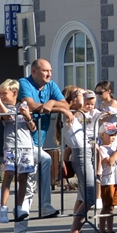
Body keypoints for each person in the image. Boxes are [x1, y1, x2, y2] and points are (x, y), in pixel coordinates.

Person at [18, 58, 69, 218]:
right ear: (34, 71)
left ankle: (40, 209)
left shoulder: (51, 85)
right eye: (45, 71)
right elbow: (30, 105)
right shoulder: (24, 83)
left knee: (32, 181)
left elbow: (66, 105)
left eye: (51, 71)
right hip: (23, 142)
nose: (49, 74)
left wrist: (52, 102)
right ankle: (40, 209)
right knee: (31, 180)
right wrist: (47, 106)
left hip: (37, 140)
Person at [0, 79, 40, 233]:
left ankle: (19, 207)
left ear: (14, 93)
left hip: (26, 147)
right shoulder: (4, 107)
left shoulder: (24, 106)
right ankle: (3, 208)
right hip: (11, 146)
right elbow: (7, 117)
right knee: (9, 175)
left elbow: (33, 128)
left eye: (4, 93)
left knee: (23, 178)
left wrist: (27, 116)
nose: (2, 96)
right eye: (0, 93)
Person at [62, 89, 104, 233]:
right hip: (80, 155)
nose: (83, 96)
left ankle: (77, 232)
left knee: (82, 196)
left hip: (85, 152)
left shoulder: (78, 114)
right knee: (90, 196)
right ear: (72, 99)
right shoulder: (69, 114)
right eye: (79, 94)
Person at [95, 116, 117, 233]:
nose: (113, 137)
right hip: (107, 181)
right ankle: (102, 230)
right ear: (102, 135)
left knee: (112, 207)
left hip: (115, 179)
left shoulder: (113, 148)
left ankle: (110, 229)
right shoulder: (102, 148)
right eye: (110, 134)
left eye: (114, 135)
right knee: (106, 206)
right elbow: (110, 162)